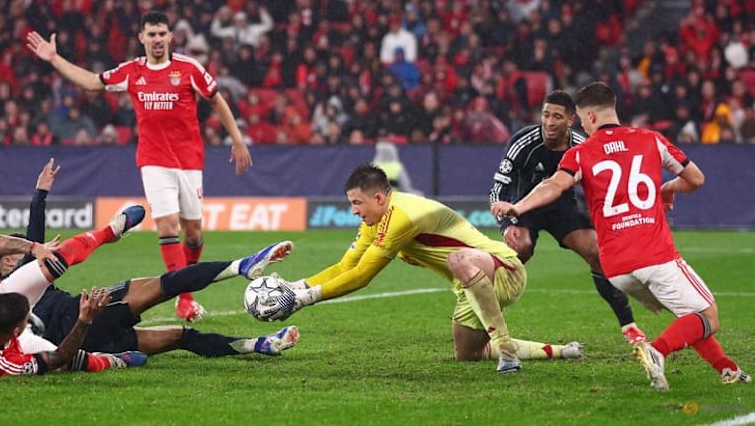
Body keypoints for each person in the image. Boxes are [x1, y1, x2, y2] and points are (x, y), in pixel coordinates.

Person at [491, 82, 751, 391]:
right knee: (708, 316)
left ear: (590, 116)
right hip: (654, 256)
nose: (583, 126)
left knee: (689, 317)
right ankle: (657, 350)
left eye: (582, 120)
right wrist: (667, 188)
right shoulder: (650, 139)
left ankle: (727, 368)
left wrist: (517, 207)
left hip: (616, 269)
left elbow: (553, 185)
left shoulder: (580, 152)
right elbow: (696, 178)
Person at [27, 11, 253, 322]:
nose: (157, 39)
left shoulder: (189, 69)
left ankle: (185, 284)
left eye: (162, 34)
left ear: (170, 37)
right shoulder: (132, 71)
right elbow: (92, 82)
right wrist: (54, 58)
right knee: (167, 227)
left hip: (189, 161)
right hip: (153, 161)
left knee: (193, 235)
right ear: (141, 38)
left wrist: (237, 140)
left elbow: (216, 100)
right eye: (152, 34)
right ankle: (184, 298)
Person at [267, 164, 584, 372]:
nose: (353, 211)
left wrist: (304, 300)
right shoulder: (376, 220)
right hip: (471, 285)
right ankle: (562, 351)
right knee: (469, 355)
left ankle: (507, 352)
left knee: (457, 259)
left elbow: (362, 277)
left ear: (379, 197)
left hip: (503, 268)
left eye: (357, 203)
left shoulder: (403, 215)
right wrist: (297, 287)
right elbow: (347, 265)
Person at [20, 159, 299, 359]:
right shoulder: (21, 277)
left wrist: (107, 361)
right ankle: (242, 266)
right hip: (88, 312)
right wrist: (39, 196)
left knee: (183, 337)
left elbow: (34, 240)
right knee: (169, 284)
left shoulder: (6, 300)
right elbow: (34, 238)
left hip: (86, 345)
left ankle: (258, 345)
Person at [489, 90, 646, 344]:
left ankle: (629, 326)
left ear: (571, 120)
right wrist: (506, 224)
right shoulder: (523, 142)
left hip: (562, 208)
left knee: (596, 252)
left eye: (557, 117)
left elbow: (601, 188)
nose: (549, 122)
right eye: (546, 115)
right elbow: (499, 187)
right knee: (520, 248)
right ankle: (484, 319)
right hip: (524, 208)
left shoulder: (581, 145)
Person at [0, 203, 148, 375]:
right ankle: (113, 360)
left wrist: (35, 248)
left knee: (52, 259)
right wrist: (84, 320)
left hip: (1, 328)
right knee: (69, 362)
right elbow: (58, 357)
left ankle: (110, 231)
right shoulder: (7, 363)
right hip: (16, 343)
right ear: (18, 331)